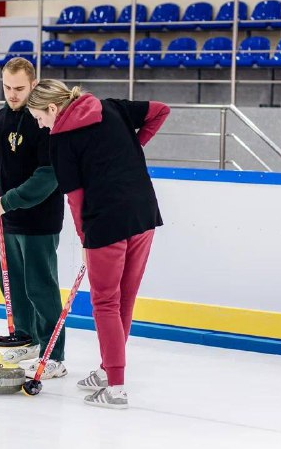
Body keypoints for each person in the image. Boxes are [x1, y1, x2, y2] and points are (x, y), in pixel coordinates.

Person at [26, 79, 170, 410]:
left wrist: (84, 238)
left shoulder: (60, 140)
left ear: (52, 108)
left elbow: (75, 199)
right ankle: (108, 369)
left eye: (39, 118)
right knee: (125, 299)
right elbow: (161, 111)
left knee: (105, 303)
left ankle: (116, 387)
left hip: (104, 223)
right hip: (142, 213)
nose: (40, 124)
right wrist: (133, 150)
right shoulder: (111, 106)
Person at [0, 57, 67, 379]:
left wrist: (9, 201)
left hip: (38, 217)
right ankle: (28, 340)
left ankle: (55, 353)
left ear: (34, 85)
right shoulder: (1, 116)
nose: (12, 94)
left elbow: (49, 173)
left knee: (41, 286)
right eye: (7, 87)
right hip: (8, 216)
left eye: (19, 89)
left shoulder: (44, 119)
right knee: (11, 282)